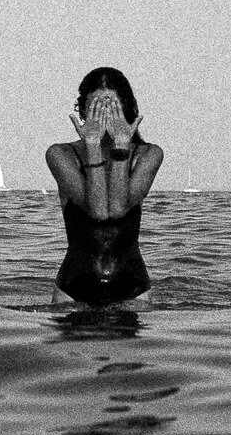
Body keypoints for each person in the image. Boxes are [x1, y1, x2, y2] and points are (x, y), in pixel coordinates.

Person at [46, 67, 163, 305]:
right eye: (97, 107)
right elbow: (98, 211)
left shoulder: (148, 154)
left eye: (111, 106)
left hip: (133, 286)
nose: (104, 114)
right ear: (83, 110)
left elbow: (118, 210)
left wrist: (121, 145)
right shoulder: (60, 154)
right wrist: (92, 145)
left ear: (127, 108)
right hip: (73, 286)